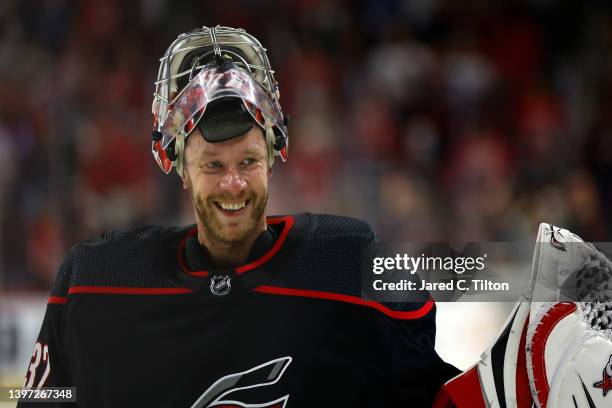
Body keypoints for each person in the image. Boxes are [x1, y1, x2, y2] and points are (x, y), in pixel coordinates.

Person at [19, 26, 458, 407]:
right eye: (213, 165)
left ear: (271, 157)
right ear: (181, 169)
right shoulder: (94, 279)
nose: (234, 184)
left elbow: (439, 392)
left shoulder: (351, 262)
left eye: (247, 162)